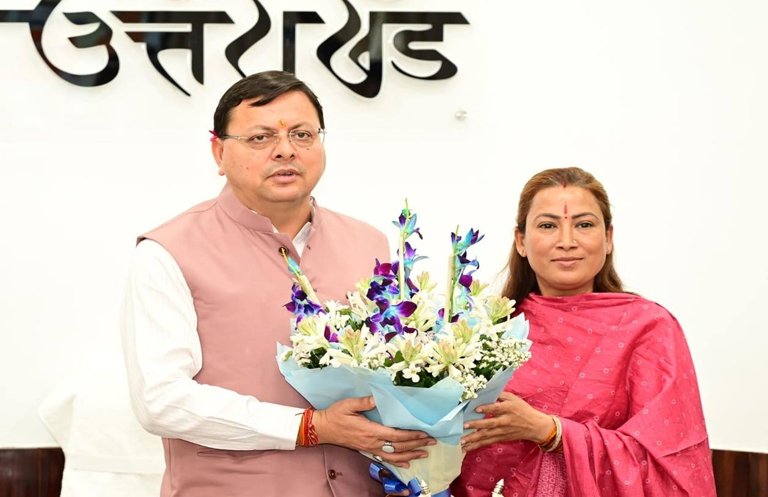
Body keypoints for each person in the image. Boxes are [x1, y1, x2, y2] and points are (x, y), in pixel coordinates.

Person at [121, 70, 434, 497]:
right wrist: (308, 427)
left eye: (302, 135)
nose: (286, 150)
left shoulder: (370, 244)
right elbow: (160, 400)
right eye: (260, 137)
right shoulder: (167, 252)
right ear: (218, 152)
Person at [452, 167, 716, 497]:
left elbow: (670, 463)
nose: (567, 242)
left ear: (608, 238)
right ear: (521, 241)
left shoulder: (648, 328)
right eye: (548, 226)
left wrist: (549, 431)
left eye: (584, 225)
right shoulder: (484, 329)